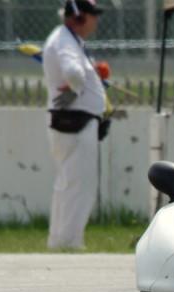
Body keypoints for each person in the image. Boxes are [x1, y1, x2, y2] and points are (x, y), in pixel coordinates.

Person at [42, 0, 105, 250]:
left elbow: (77, 72)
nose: (95, 20)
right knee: (79, 185)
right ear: (79, 17)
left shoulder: (66, 39)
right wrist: (78, 86)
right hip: (76, 124)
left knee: (67, 183)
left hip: (73, 123)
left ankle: (60, 240)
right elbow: (73, 72)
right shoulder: (65, 42)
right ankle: (69, 241)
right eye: (92, 15)